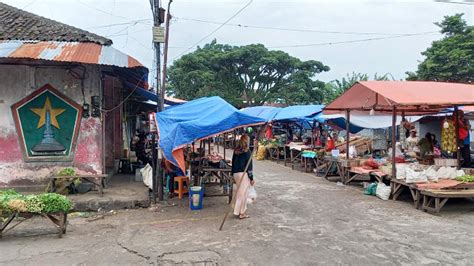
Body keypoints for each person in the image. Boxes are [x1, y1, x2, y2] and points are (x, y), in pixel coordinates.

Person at [231, 134, 255, 219]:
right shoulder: (247, 151)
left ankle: (238, 211)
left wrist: (232, 175)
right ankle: (241, 213)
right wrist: (251, 178)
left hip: (236, 173)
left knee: (239, 193)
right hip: (243, 174)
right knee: (243, 194)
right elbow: (249, 166)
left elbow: (233, 163)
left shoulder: (236, 151)